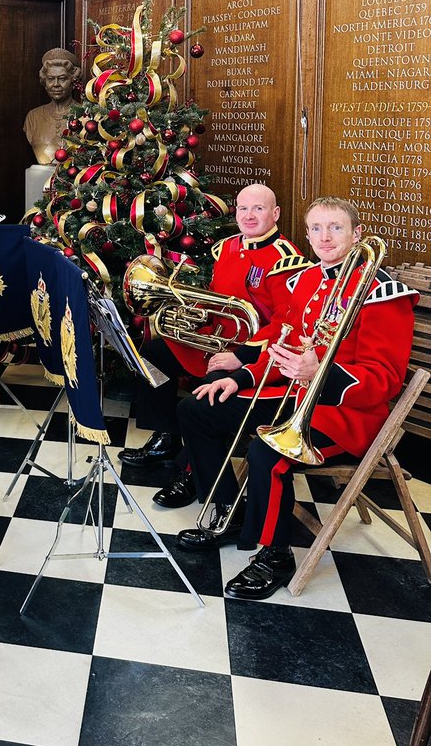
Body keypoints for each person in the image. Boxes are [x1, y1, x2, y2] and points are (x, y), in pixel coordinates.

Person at [176, 196, 417, 600]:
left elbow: (384, 380)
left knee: (266, 454)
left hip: (345, 413)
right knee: (198, 409)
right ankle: (228, 512)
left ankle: (275, 554)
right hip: (292, 393)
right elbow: (281, 346)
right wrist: (241, 376)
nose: (325, 237)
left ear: (357, 234)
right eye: (317, 229)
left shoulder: (383, 293)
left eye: (336, 228)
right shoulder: (306, 280)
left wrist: (318, 373)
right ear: (306, 235)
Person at [118, 183, 309, 508]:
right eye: (243, 208)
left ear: (275, 213)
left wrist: (239, 355)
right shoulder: (227, 248)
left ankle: (192, 473)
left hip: (251, 355)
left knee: (207, 393)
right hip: (216, 340)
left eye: (258, 209)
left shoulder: (287, 260)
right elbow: (217, 300)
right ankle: (166, 436)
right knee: (154, 353)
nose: (249, 215)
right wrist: (192, 317)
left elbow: (282, 325)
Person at [23, 48, 82, 165]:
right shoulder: (33, 117)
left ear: (73, 81)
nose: (56, 85)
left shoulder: (86, 115)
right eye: (51, 79)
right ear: (45, 82)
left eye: (62, 79)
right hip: (40, 178)